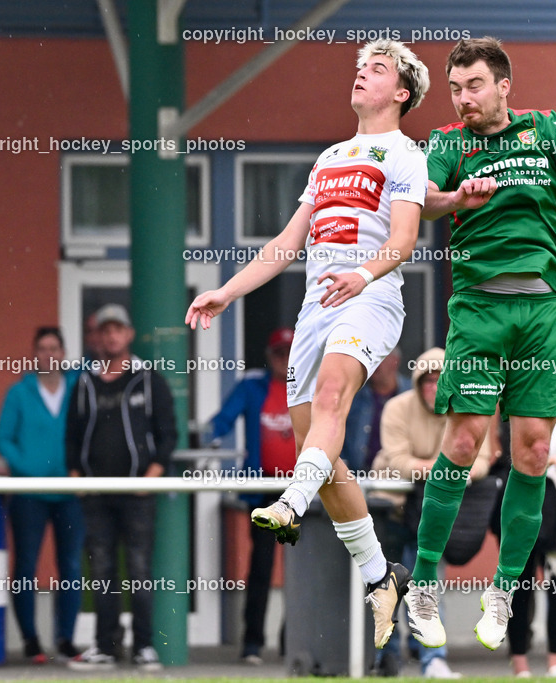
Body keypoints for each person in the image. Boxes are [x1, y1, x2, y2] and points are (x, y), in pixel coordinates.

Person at [185, 40, 430, 651]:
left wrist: (364, 275)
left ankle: (288, 504)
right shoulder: (329, 157)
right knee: (321, 453)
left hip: (370, 297)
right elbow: (286, 244)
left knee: (330, 401)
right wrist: (227, 291)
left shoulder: (405, 154)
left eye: (375, 70)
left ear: (401, 93)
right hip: (317, 308)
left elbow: (402, 243)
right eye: (358, 67)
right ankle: (382, 576)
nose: (360, 75)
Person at [404, 36, 556, 652]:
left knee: (531, 452)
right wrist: (455, 198)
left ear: (504, 86)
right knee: (467, 441)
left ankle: (502, 591)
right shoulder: (447, 143)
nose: (464, 98)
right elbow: (420, 205)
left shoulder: (546, 129)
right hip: (478, 308)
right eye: (455, 88)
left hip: (540, 311)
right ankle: (422, 580)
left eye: (474, 86)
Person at [65, 304, 176, 671]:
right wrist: (76, 477)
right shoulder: (84, 382)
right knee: (102, 571)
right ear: (98, 337)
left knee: (140, 570)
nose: (111, 336)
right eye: (105, 329)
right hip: (96, 495)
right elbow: (72, 436)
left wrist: (152, 476)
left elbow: (167, 433)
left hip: (137, 494)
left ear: (129, 335)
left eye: (118, 329)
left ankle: (144, 646)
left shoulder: (148, 379)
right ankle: (106, 647)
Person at [371, 347, 491, 677]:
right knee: (385, 587)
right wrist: (444, 470)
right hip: (394, 511)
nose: (433, 387)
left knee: (427, 584)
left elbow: (483, 459)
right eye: (427, 380)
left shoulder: (468, 410)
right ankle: (386, 657)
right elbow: (397, 460)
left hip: (433, 511)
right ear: (417, 381)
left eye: (440, 379)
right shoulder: (397, 408)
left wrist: (439, 472)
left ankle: (433, 658)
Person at [0, 326, 84, 664]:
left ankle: (66, 639)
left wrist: (78, 471)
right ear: (35, 355)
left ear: (63, 353)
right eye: (42, 348)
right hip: (29, 493)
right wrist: (29, 470)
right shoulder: (19, 393)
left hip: (71, 492)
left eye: (54, 348)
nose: (49, 354)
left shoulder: (78, 388)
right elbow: (3, 439)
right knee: (26, 566)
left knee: (71, 566)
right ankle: (31, 640)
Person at [207, 327, 296, 664]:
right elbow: (223, 420)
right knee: (261, 567)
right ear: (269, 356)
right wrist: (210, 437)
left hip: (300, 491)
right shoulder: (252, 386)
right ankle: (252, 644)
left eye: (289, 353)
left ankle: (294, 640)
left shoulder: (309, 387)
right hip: (263, 491)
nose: (284, 360)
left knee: (300, 570)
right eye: (278, 353)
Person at [502, 377, 556, 678]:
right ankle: (520, 664)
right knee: (519, 588)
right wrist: (538, 461)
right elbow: (503, 457)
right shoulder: (514, 403)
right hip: (522, 505)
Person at [341, 348, 411, 472]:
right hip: (356, 476)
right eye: (370, 358)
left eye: (380, 358)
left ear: (395, 361)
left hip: (403, 476)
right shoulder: (352, 394)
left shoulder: (412, 393)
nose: (374, 363)